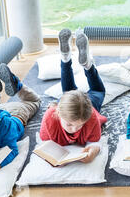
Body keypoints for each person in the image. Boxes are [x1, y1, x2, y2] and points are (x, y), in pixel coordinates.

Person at [39, 29, 107, 163]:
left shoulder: (91, 117)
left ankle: (66, 58)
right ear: (58, 112)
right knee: (97, 90)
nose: (75, 129)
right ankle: (87, 66)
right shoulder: (50, 118)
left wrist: (94, 150)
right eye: (69, 124)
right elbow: (44, 144)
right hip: (69, 106)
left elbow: (95, 142)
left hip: (87, 105)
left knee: (74, 92)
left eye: (80, 125)